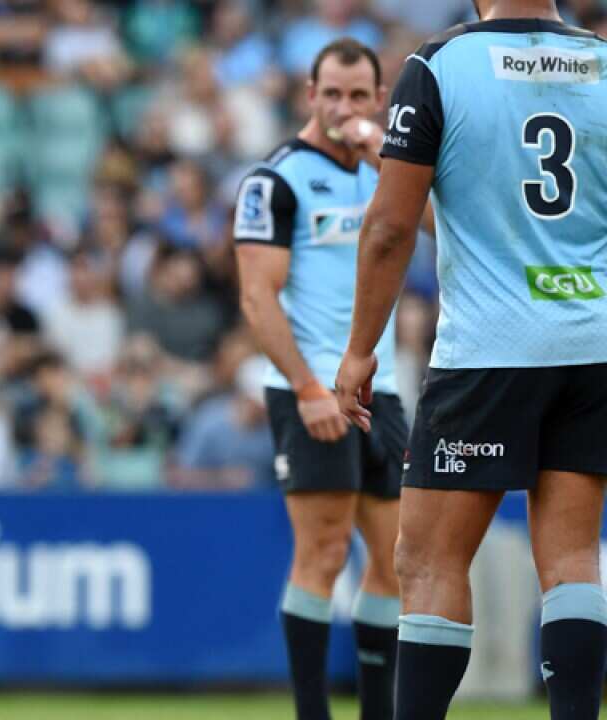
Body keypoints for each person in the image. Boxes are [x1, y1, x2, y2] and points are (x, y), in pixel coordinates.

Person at [335, 2, 607, 719]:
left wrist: (361, 348)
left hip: (490, 350)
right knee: (574, 560)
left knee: (426, 562)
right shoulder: (602, 64)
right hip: (590, 343)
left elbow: (391, 227)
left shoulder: (439, 65)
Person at [234, 38, 404, 720]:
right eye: (331, 93)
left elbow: (436, 228)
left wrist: (385, 160)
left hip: (381, 387)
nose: (343, 107)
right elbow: (256, 297)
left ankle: (378, 712)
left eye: (358, 95)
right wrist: (305, 386)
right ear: (309, 95)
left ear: (379, 100)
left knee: (398, 561)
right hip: (309, 390)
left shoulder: (388, 170)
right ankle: (311, 713)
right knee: (325, 550)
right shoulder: (276, 180)